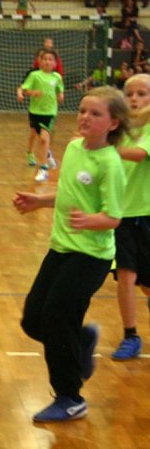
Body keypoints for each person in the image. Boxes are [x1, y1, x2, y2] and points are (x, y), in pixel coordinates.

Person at [13, 86, 128, 422]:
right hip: (61, 248)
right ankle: (82, 339)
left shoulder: (111, 163)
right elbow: (68, 192)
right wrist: (40, 200)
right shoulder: (76, 147)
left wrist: (91, 220)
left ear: (112, 124)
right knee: (33, 319)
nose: (84, 118)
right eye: (82, 111)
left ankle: (70, 397)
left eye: (95, 114)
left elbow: (114, 217)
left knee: (57, 317)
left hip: (91, 257)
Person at [109, 74, 150, 360]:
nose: (134, 99)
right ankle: (130, 335)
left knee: (146, 282)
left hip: (147, 215)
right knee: (126, 275)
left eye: (142, 94)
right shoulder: (119, 131)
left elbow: (137, 154)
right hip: (121, 216)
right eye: (129, 93)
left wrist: (104, 146)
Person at [21, 50, 64, 181]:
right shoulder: (34, 75)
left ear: (55, 63)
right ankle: (41, 154)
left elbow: (59, 90)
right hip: (35, 111)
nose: (47, 61)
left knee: (44, 139)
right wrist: (33, 92)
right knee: (36, 135)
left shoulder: (57, 77)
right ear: (40, 61)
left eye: (50, 59)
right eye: (45, 59)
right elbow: (25, 90)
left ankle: (43, 168)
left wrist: (61, 95)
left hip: (50, 112)